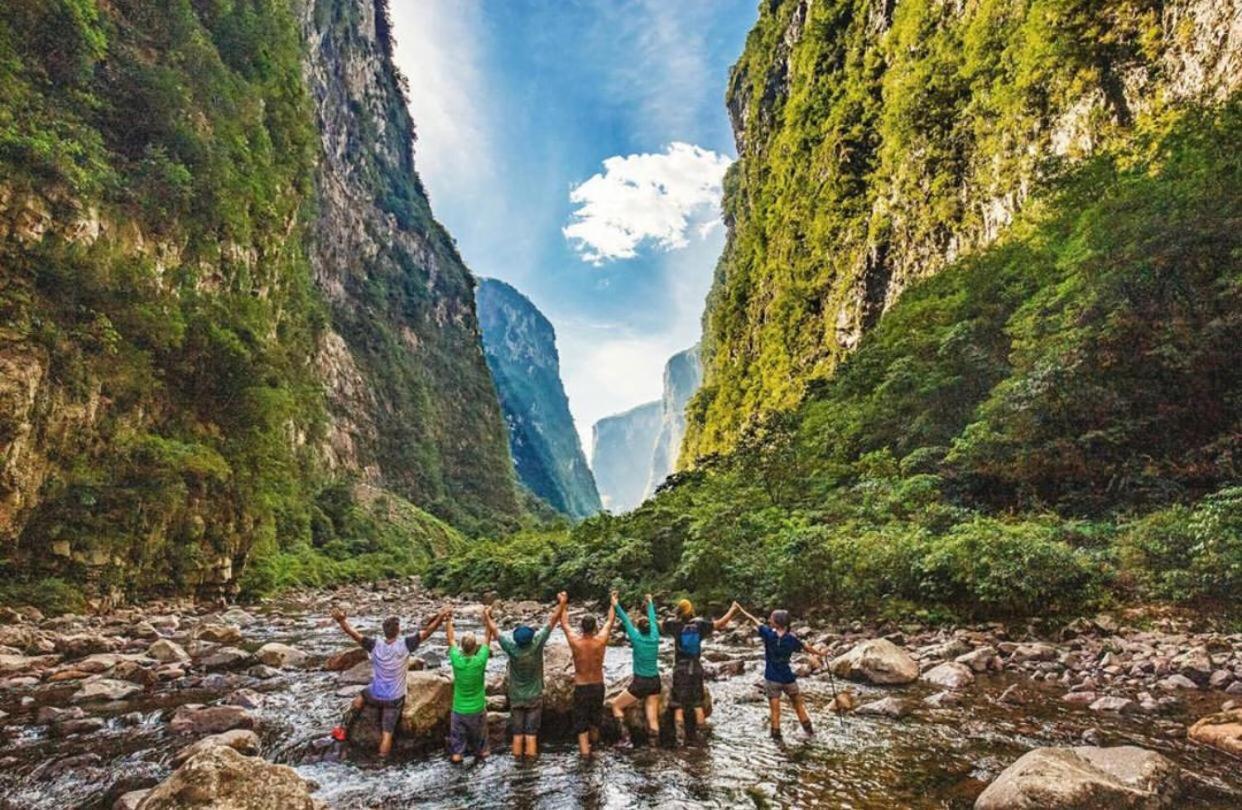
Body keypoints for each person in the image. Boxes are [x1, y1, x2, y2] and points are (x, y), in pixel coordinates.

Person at [330, 606, 447, 757]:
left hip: (375, 694)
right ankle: (382, 760)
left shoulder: (375, 645)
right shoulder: (405, 644)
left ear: (384, 631)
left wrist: (341, 621)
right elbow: (428, 632)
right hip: (394, 698)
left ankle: (343, 730)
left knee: (358, 699)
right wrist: (441, 618)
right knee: (387, 734)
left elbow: (353, 633)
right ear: (398, 630)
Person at [483, 592, 566, 759]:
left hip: (516, 696)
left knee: (517, 734)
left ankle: (517, 765)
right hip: (534, 696)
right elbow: (552, 621)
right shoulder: (537, 644)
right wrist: (562, 603)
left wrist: (487, 616)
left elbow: (495, 631)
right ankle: (530, 769)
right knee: (531, 734)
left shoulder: (511, 648)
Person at [739, 606, 828, 739]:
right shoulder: (791, 639)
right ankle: (810, 733)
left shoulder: (768, 634)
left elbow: (755, 621)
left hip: (772, 678)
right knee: (799, 706)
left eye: (771, 618)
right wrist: (821, 653)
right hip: (788, 678)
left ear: (776, 622)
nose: (769, 620)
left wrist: (741, 609)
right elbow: (807, 648)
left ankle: (777, 740)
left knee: (775, 712)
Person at [662, 598, 742, 742]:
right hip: (696, 668)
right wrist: (732, 610)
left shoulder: (674, 625)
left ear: (678, 610)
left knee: (678, 705)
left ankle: (680, 739)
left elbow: (655, 625)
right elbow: (721, 623)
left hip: (681, 668)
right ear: (691, 610)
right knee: (697, 704)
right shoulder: (700, 625)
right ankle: (702, 739)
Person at [560, 590, 615, 757]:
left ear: (581, 627)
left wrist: (563, 602)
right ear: (595, 627)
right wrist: (613, 602)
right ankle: (596, 750)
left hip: (582, 687)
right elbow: (610, 621)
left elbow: (564, 624)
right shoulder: (601, 641)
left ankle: (585, 754)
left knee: (582, 723)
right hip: (598, 685)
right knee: (595, 721)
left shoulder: (576, 642)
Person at [610, 592, 662, 747]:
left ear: (638, 629)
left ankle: (625, 739)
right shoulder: (655, 637)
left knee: (616, 705)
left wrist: (615, 603)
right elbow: (653, 619)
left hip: (640, 682)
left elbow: (625, 620)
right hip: (655, 681)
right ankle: (655, 747)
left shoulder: (636, 638)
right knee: (653, 718)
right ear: (650, 629)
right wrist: (650, 603)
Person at [446, 606, 494, 763]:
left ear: (462, 647)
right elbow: (488, 637)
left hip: (459, 710)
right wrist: (487, 617)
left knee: (456, 753)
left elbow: (451, 640)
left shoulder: (456, 660)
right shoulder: (480, 660)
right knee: (483, 751)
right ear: (475, 647)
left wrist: (448, 620)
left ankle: (458, 765)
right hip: (477, 709)